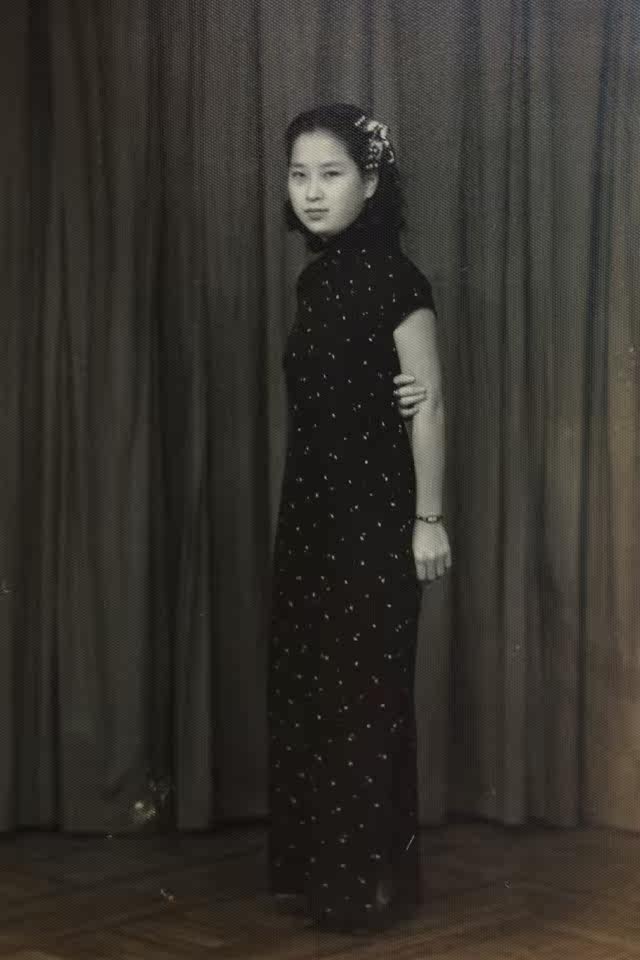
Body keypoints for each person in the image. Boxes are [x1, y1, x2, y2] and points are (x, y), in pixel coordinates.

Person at [267, 102, 451, 935]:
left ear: (370, 183)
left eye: (331, 174)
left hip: (375, 521)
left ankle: (364, 884)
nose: (312, 192)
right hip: (312, 515)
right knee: (312, 691)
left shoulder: (396, 279)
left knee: (360, 698)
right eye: (299, 175)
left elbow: (429, 404)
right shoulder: (317, 280)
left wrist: (429, 519)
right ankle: (321, 876)